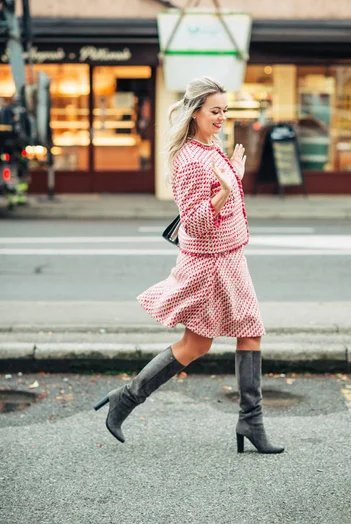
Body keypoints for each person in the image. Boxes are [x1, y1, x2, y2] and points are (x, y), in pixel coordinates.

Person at [94, 76, 284, 455]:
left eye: (224, 111)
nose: (221, 118)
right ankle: (129, 399)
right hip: (211, 263)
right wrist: (225, 192)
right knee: (211, 340)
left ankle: (248, 419)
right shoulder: (191, 159)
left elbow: (218, 197)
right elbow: (193, 220)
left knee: (214, 340)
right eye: (215, 111)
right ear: (195, 111)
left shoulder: (210, 146)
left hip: (228, 256)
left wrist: (234, 176)